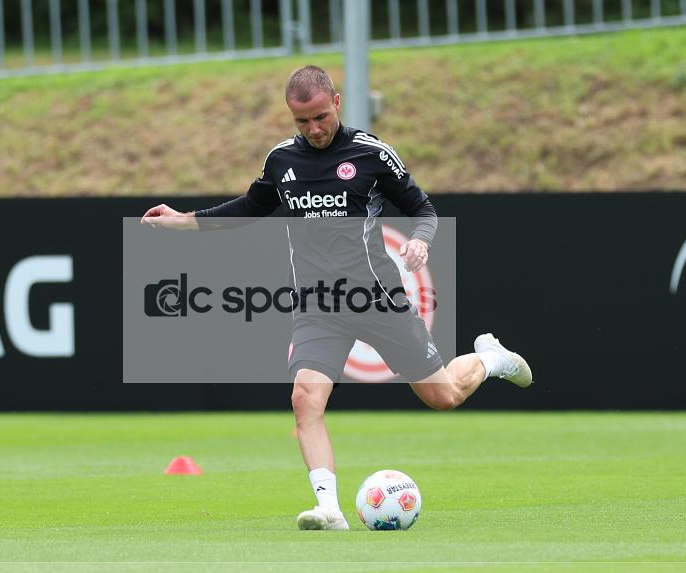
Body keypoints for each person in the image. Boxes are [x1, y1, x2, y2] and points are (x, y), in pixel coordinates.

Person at [141, 65, 532, 531]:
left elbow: (422, 207)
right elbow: (249, 207)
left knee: (443, 396)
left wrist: (420, 240)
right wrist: (183, 220)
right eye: (302, 121)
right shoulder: (281, 161)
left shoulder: (371, 154)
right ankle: (329, 509)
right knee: (305, 399)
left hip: (376, 299)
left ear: (337, 103)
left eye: (321, 117)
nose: (314, 129)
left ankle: (490, 359)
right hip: (317, 306)